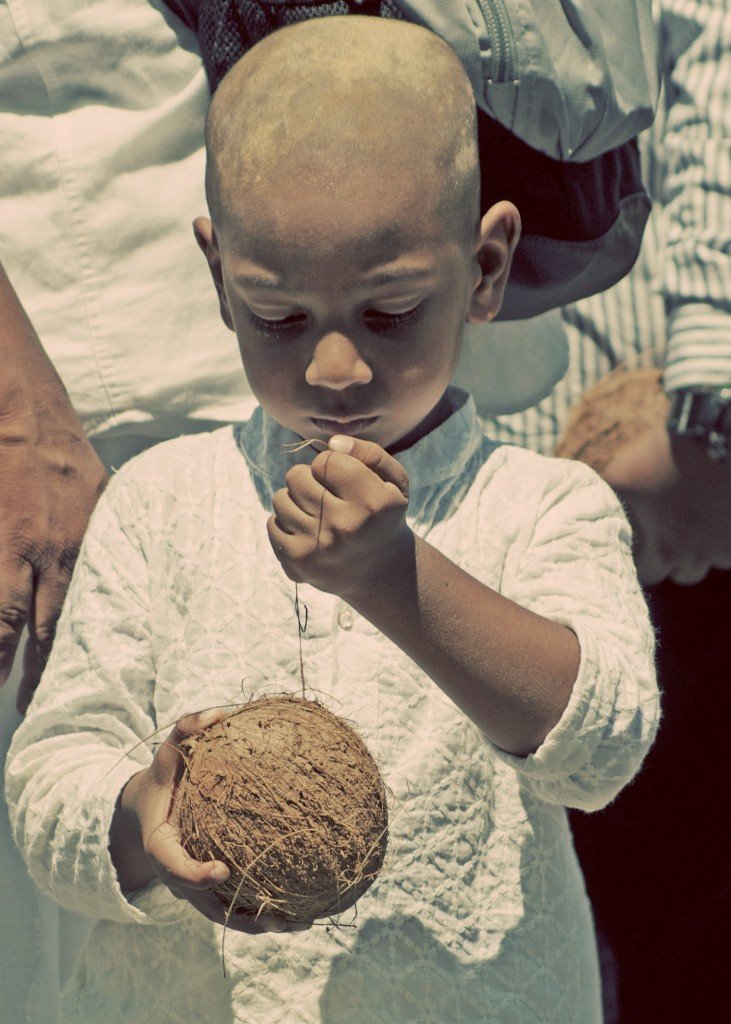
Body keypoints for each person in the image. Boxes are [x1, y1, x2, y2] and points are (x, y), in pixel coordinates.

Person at [5, 17, 659, 1024]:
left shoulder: (542, 504)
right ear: (219, 276)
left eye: (388, 311)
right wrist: (140, 820)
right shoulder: (159, 503)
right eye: (279, 317)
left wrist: (397, 582)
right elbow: (50, 773)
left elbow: (601, 746)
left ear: (484, 268)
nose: (334, 369)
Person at [471, 0, 731, 1019]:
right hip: (507, 460)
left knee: (676, 897)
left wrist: (709, 403)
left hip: (666, 449)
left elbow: (711, 38)